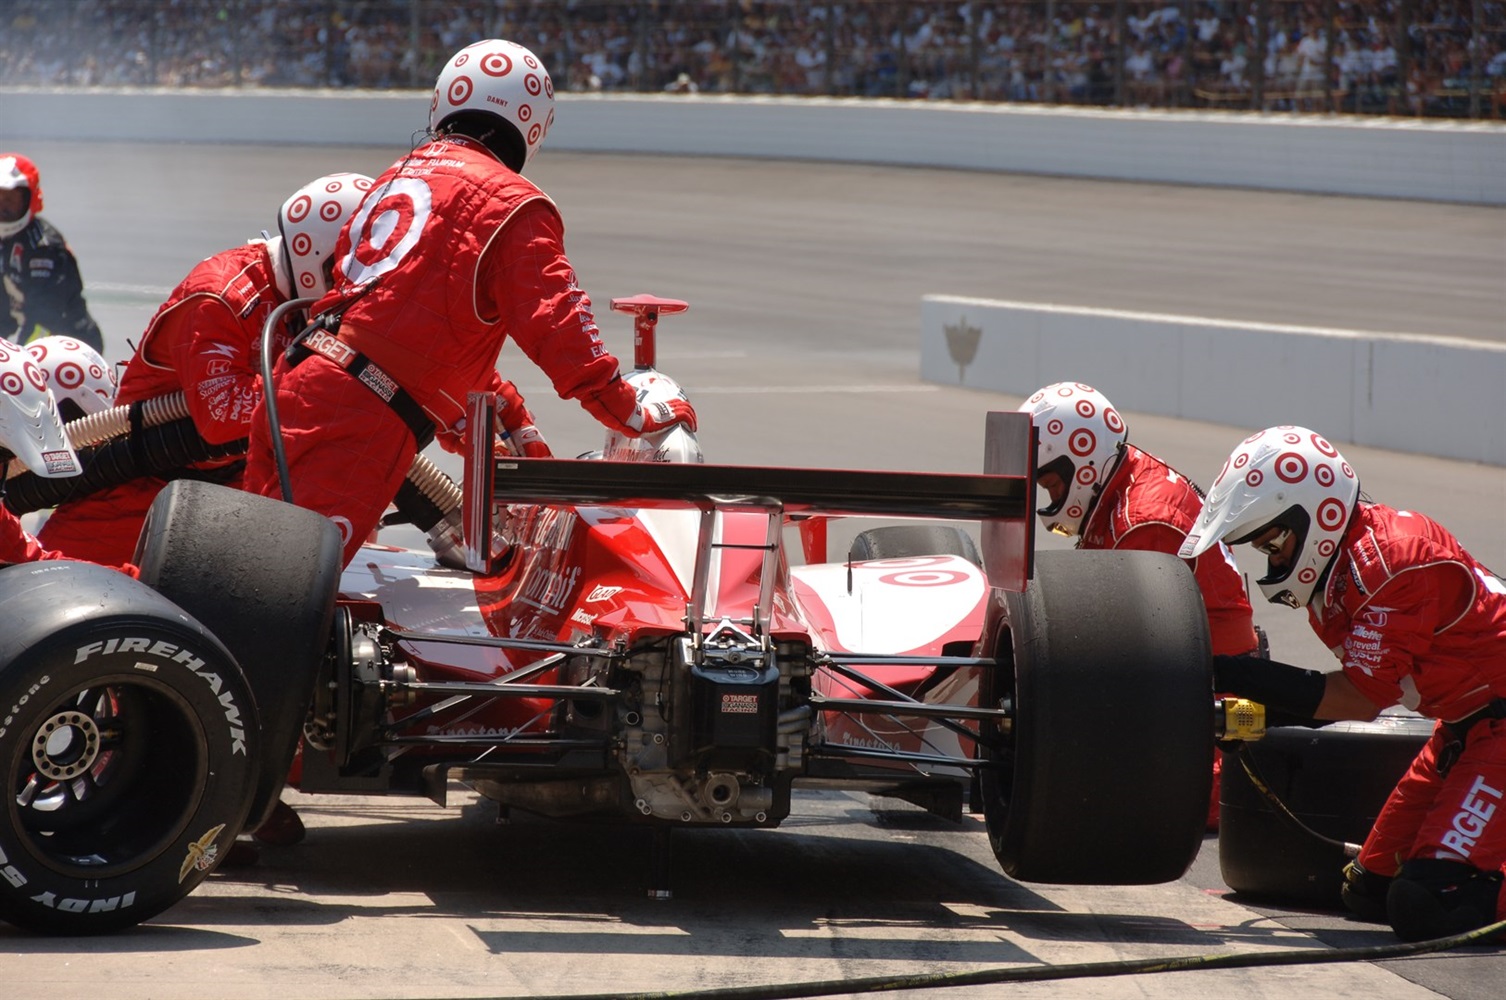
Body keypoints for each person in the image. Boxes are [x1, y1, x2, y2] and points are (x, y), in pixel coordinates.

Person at [243, 38, 696, 567]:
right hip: (361, 422)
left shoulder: (394, 176)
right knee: (281, 590)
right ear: (533, 125)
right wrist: (633, 412)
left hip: (302, 382)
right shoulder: (512, 203)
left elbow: (407, 326)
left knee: (245, 572)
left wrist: (504, 416)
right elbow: (560, 328)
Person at [1180, 425, 1506, 942]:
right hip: (1464, 728)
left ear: (1319, 515)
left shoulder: (1388, 568)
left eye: (1273, 542)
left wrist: (1222, 671)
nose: (1273, 560)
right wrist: (1231, 716)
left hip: (1500, 726)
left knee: (1431, 904)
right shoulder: (1340, 575)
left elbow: (1354, 698)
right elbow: (1342, 698)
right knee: (1366, 891)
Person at [35, 172, 374, 567]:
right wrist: (333, 384)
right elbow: (221, 418)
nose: (356, 283)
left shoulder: (316, 298)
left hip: (231, 486)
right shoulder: (219, 295)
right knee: (52, 589)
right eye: (348, 267)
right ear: (312, 252)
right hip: (140, 488)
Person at [1018, 382, 1260, 829]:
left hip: (1208, 707)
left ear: (1083, 463)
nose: (1047, 499)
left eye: (1049, 483)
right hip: (1186, 681)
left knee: (1063, 777)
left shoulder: (1143, 524)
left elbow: (1119, 667)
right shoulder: (1121, 479)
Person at [0, 153, 105, 352]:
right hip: (38, 342)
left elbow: (44, 321)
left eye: (10, 199)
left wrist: (16, 362)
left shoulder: (43, 249)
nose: (2, 207)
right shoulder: (5, 241)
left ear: (31, 199)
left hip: (72, 349)